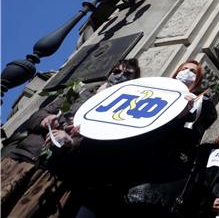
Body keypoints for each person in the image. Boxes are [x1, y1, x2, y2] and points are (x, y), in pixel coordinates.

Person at [71, 58, 217, 217]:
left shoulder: (202, 105)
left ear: (198, 80)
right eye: (183, 68)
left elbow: (187, 141)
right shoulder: (150, 91)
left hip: (145, 180)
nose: (186, 73)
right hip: (112, 168)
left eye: (192, 72)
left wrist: (182, 116)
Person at [0, 58, 141, 217]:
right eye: (117, 71)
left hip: (53, 177)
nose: (120, 76)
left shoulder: (123, 115)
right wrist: (44, 120)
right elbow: (37, 115)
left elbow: (105, 156)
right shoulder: (79, 92)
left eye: (127, 74)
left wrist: (72, 142)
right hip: (23, 159)